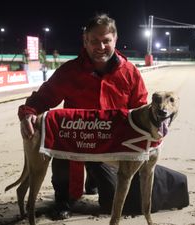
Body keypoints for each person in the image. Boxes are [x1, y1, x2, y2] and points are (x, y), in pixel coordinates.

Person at [18, 13, 148, 219]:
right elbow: (43, 98)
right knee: (57, 138)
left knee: (111, 203)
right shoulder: (70, 71)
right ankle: (63, 198)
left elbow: (140, 110)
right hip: (75, 144)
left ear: (115, 40)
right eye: (94, 41)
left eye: (106, 41)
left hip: (110, 147)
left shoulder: (130, 72)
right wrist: (27, 114)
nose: (100, 46)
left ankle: (94, 180)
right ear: (85, 42)